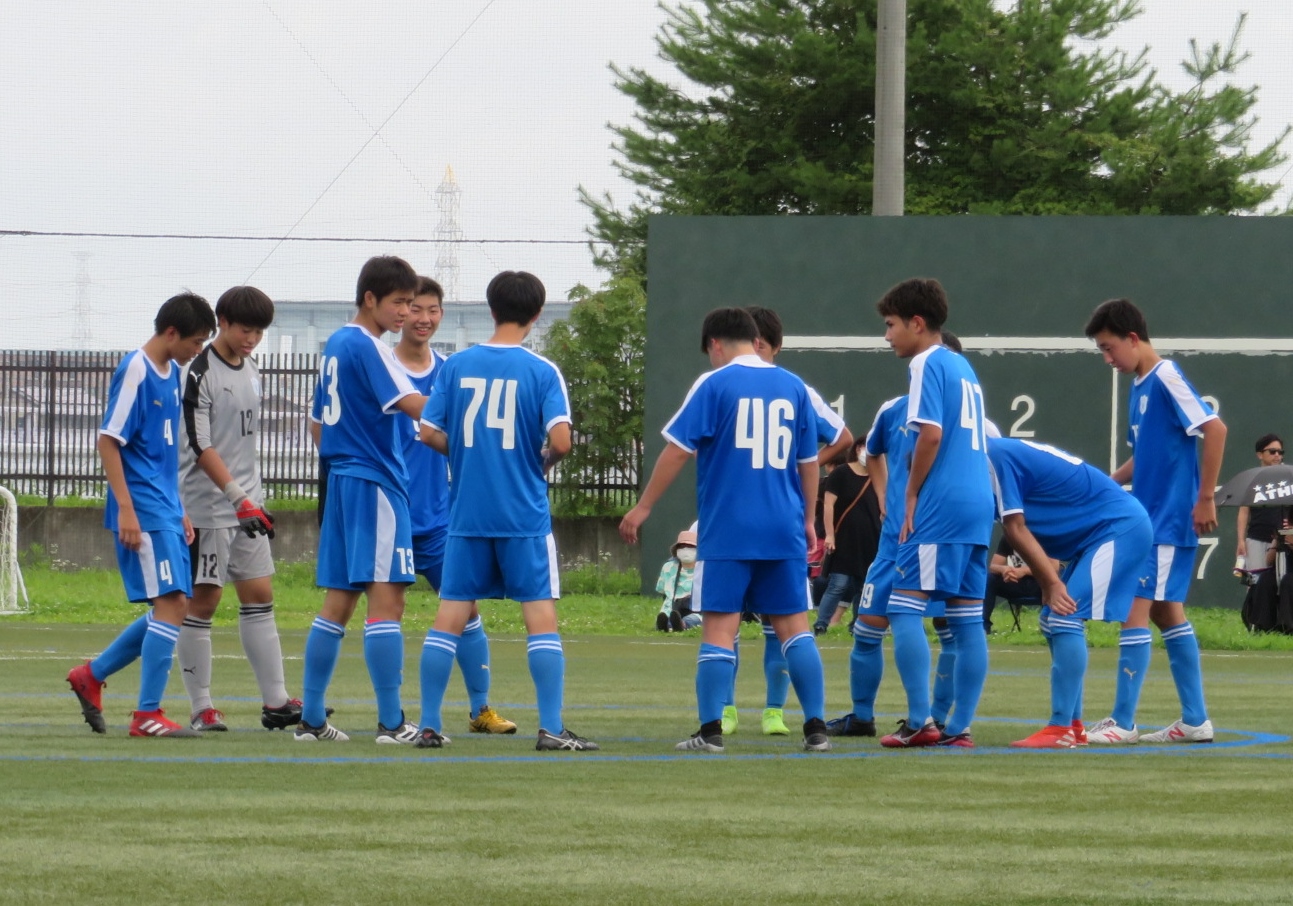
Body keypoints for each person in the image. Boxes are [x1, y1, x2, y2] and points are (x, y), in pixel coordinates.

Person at [619, 307, 831, 754]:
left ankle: (711, 731)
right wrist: (809, 519)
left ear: (715, 344)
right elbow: (809, 461)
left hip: (729, 528)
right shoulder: (793, 385)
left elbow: (678, 450)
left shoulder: (714, 383)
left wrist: (643, 506)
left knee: (718, 628)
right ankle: (816, 728)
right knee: (795, 628)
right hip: (783, 527)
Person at [417, 270, 597, 752]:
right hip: (523, 515)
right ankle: (551, 728)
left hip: (468, 516)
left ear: (491, 309)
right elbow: (562, 441)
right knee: (539, 616)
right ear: (536, 314)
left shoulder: (456, 366)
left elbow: (428, 432)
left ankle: (429, 725)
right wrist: (540, 463)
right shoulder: (541, 370)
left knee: (449, 617)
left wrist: (466, 455)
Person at [66, 293, 217, 737]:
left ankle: (92, 675)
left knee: (175, 604)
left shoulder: (173, 373)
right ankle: (147, 713)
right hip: (143, 508)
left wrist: (180, 508)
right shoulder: (136, 368)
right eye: (195, 341)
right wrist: (127, 511)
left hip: (164, 506)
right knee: (172, 603)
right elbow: (108, 440)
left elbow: (161, 453)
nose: (197, 350)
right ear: (170, 333)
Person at [298, 255, 429, 744]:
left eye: (410, 303)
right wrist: (469, 418)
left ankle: (311, 719)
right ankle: (392, 722)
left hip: (342, 481)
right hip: (375, 484)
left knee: (338, 602)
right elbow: (413, 404)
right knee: (387, 601)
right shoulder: (368, 345)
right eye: (399, 302)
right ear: (370, 298)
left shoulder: (336, 343)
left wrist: (345, 457)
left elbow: (317, 424)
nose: (405, 312)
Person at [1084, 297, 1227, 744]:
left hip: (1166, 521)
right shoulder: (1140, 385)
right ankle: (1195, 720)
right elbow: (1144, 456)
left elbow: (1215, 429)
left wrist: (1206, 498)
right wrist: (1107, 483)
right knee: (1167, 613)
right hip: (1151, 519)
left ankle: (1124, 722)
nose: (1108, 359)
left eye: (1109, 348)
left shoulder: (1165, 375)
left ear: (1132, 338)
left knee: (1134, 609)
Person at [177, 285, 306, 732]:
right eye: (245, 330)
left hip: (248, 505)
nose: (252, 339)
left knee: (260, 596)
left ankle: (276, 702)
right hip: (209, 507)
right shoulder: (198, 372)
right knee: (203, 603)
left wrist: (251, 499)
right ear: (223, 323)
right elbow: (201, 445)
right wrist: (238, 497)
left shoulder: (252, 368)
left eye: (259, 332)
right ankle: (201, 708)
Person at [825, 327, 964, 739]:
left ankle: (933, 718)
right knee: (867, 629)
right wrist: (886, 496)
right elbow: (871, 452)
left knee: (948, 632)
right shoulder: (894, 410)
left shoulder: (971, 423)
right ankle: (862, 716)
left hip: (936, 537)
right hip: (892, 544)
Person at [392, 276, 516, 735]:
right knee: (388, 610)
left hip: (440, 518)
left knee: (466, 610)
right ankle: (393, 716)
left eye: (432, 310)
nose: (423, 318)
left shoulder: (452, 371)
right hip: (391, 514)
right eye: (415, 308)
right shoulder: (382, 367)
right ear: (400, 311)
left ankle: (481, 710)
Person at [719, 305, 850, 739]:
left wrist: (799, 469)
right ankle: (725, 708)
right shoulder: (725, 383)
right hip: (743, 513)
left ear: (765, 344)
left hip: (769, 516)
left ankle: (771, 710)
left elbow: (843, 437)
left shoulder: (795, 389)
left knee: (776, 623)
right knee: (728, 620)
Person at [875, 280, 994, 749]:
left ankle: (920, 720)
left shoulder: (926, 362)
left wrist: (910, 493)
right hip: (978, 504)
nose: (887, 336)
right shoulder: (963, 365)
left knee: (902, 607)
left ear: (917, 323)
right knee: (966, 618)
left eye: (891, 325)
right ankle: (959, 727)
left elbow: (930, 435)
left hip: (941, 504)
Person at [986, 436, 1154, 748]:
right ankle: (1073, 726)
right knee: (1052, 619)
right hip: (1097, 533)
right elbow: (1032, 523)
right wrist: (1047, 580)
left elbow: (1016, 527)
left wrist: (1051, 582)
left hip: (1117, 527)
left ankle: (1060, 727)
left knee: (1065, 615)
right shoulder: (995, 453)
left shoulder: (993, 456)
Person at [813, 434, 881, 633]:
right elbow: (828, 505)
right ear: (858, 448)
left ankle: (857, 625)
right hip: (843, 539)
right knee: (838, 584)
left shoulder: (879, 477)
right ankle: (821, 623)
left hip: (870, 539)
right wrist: (830, 535)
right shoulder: (841, 473)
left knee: (863, 586)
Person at [1235, 434, 1284, 583]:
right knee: (1255, 582)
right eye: (1272, 451)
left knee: (1282, 582)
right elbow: (1244, 512)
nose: (1277, 455)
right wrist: (1241, 540)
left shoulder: (1288, 478)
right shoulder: (1252, 479)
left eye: (1280, 452)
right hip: (1256, 538)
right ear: (1260, 455)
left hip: (1282, 540)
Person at [982, 536, 1055, 633]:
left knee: (1053, 582)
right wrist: (1004, 569)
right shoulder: (1009, 537)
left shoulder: (1045, 536)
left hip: (1040, 585)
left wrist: (1024, 571)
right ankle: (983, 627)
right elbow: (993, 566)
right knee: (990, 579)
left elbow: (1054, 567)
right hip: (1015, 582)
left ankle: (1052, 626)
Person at [655, 529, 700, 631]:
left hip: (695, 611)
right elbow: (663, 591)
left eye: (691, 547)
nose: (686, 550)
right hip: (671, 609)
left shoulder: (704, 569)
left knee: (692, 619)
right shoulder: (668, 567)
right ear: (677, 550)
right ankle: (666, 624)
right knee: (666, 616)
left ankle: (680, 624)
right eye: (682, 547)